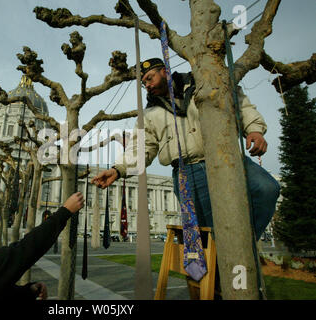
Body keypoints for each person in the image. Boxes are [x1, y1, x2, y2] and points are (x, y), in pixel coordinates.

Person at [91, 58, 280, 240]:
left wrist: (254, 129)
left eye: (149, 78)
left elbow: (238, 103)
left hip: (226, 157)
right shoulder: (148, 114)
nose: (147, 85)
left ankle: (244, 243)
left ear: (165, 71)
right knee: (209, 234)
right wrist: (118, 169)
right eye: (143, 83)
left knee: (266, 188)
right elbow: (141, 148)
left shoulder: (203, 84)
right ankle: (221, 264)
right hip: (189, 173)